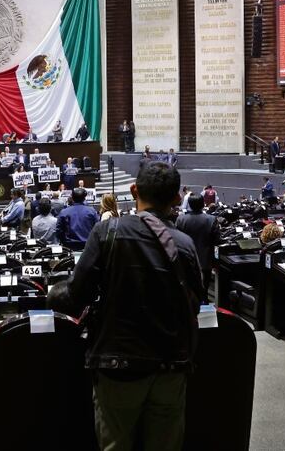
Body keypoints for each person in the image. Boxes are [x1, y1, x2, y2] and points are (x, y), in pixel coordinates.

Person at [59, 162, 203, 451]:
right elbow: (196, 305)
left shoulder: (106, 232)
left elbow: (77, 295)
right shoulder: (185, 244)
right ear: (177, 198)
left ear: (134, 189)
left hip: (118, 365)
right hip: (171, 365)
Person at [175, 193, 221, 293]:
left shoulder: (181, 219)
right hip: (206, 257)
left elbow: (177, 240)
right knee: (205, 284)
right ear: (203, 204)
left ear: (190, 205)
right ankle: (204, 299)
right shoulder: (212, 219)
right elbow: (217, 240)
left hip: (186, 257)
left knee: (188, 284)